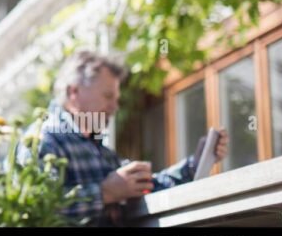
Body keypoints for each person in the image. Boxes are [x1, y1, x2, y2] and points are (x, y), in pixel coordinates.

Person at [17, 50, 229, 226]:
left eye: (116, 99)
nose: (115, 107)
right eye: (108, 96)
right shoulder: (43, 140)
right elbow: (34, 209)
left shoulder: (97, 148)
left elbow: (149, 186)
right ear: (74, 92)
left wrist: (194, 164)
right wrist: (104, 193)